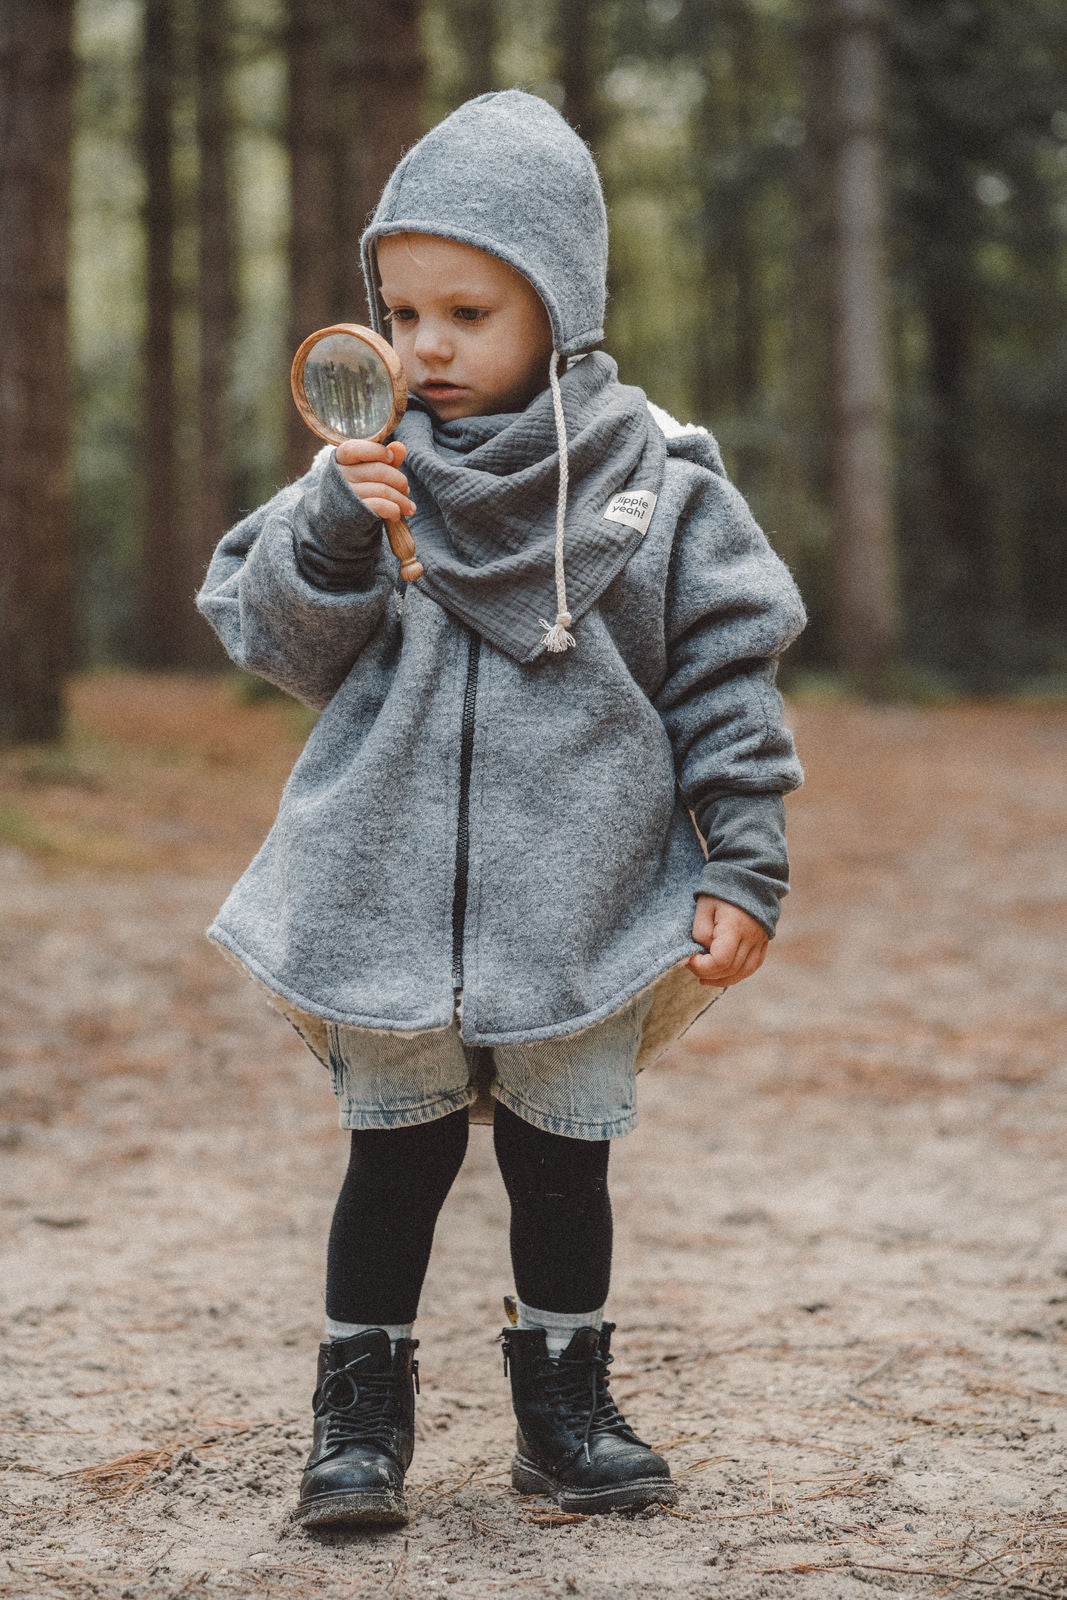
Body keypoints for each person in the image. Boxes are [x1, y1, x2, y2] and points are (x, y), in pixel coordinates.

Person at [196, 90, 805, 1529]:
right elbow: (276, 638)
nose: (428, 348)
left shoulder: (658, 483)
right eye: (401, 314)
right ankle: (358, 1421)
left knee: (562, 1161)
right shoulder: (366, 476)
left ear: (563, 308)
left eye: (470, 311)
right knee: (391, 1160)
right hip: (389, 894)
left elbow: (727, 678)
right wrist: (338, 525)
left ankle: (565, 1407)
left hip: (580, 896)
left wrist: (746, 856)